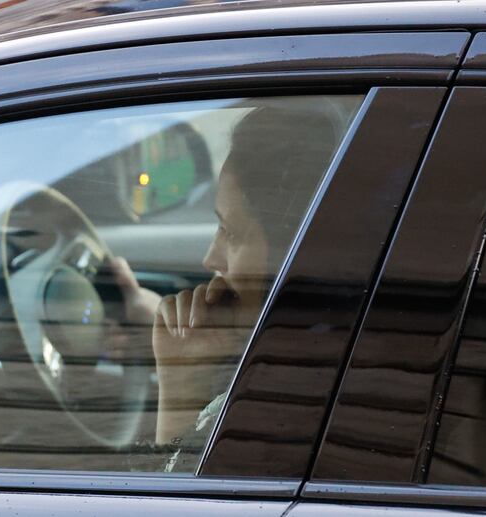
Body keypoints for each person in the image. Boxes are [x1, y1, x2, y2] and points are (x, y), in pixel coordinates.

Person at [113, 102, 341, 469]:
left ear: (294, 252)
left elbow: (173, 495)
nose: (210, 259)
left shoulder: (274, 405)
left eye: (231, 232)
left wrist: (179, 389)